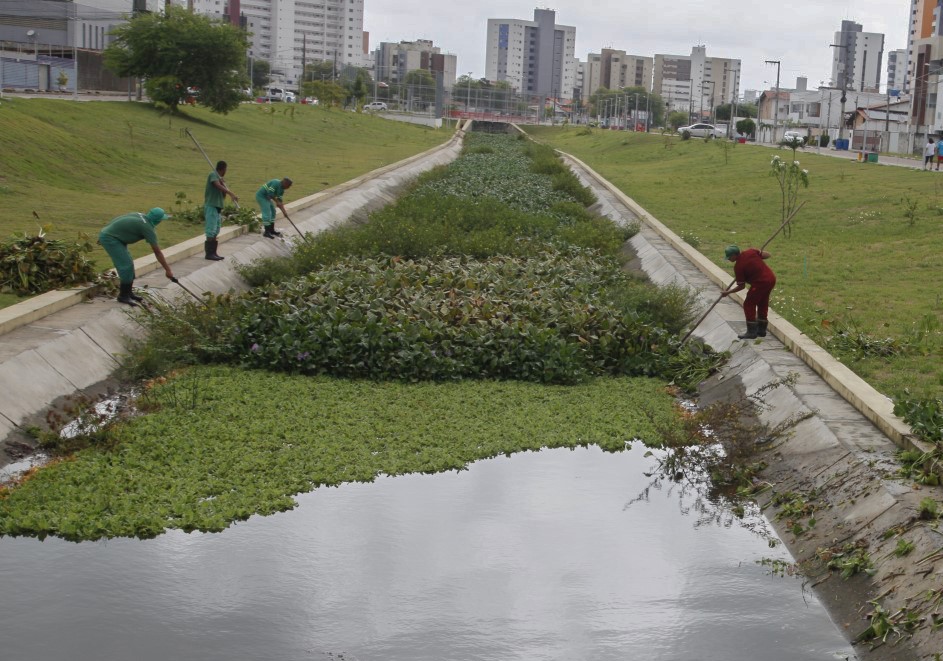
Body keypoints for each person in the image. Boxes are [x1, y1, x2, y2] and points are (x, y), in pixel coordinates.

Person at [98, 208, 175, 306]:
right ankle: (123, 296)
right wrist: (168, 270)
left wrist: (106, 230)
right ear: (157, 220)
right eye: (161, 220)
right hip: (111, 239)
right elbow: (157, 252)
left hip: (113, 236)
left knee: (129, 263)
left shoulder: (140, 215)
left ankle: (129, 293)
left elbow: (118, 220)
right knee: (125, 265)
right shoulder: (147, 228)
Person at [720, 245, 776, 340]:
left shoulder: (738, 267)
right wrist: (758, 254)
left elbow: (741, 286)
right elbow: (768, 255)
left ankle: (751, 332)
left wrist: (728, 292)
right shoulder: (751, 252)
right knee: (762, 302)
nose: (729, 259)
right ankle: (761, 330)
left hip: (760, 283)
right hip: (771, 279)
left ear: (734, 255)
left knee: (749, 304)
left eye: (729, 257)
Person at [204, 160, 238, 260]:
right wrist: (230, 193)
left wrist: (223, 185)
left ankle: (214, 252)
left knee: (216, 230)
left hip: (218, 207)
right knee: (211, 230)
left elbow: (222, 195)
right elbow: (216, 185)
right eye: (226, 169)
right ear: (223, 169)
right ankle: (209, 253)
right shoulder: (213, 175)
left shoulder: (220, 180)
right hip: (211, 206)